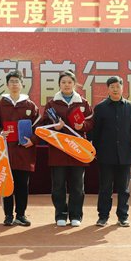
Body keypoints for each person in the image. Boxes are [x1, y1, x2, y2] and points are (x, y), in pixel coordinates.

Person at [41, 70, 94, 227]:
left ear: (74, 84)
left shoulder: (83, 103)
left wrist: (82, 126)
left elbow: (91, 123)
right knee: (58, 185)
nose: (66, 85)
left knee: (77, 185)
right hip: (58, 150)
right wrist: (55, 127)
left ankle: (76, 215)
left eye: (69, 82)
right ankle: (61, 215)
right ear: (59, 84)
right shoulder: (52, 104)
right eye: (63, 82)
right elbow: (44, 125)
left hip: (77, 150)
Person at [0, 70, 39, 226]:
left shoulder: (30, 106)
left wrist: (32, 140)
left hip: (25, 151)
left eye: (17, 81)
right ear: (7, 84)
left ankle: (21, 215)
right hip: (6, 152)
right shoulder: (0, 105)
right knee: (6, 184)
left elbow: (38, 127)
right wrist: (0, 133)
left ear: (22, 84)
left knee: (22, 185)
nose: (14, 84)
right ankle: (8, 215)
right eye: (11, 81)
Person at [92, 76, 131, 228]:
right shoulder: (100, 108)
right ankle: (103, 217)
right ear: (107, 89)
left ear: (122, 88)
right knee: (105, 188)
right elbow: (95, 132)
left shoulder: (130, 107)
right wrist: (94, 150)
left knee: (124, 189)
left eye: (117, 86)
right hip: (106, 154)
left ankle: (123, 216)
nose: (115, 89)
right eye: (112, 87)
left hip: (125, 154)